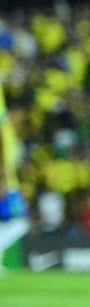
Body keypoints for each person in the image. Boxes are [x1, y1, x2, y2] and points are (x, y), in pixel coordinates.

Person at [0, 81, 28, 273]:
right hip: (6, 182)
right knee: (20, 222)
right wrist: (2, 177)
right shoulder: (3, 125)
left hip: (9, 180)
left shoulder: (8, 129)